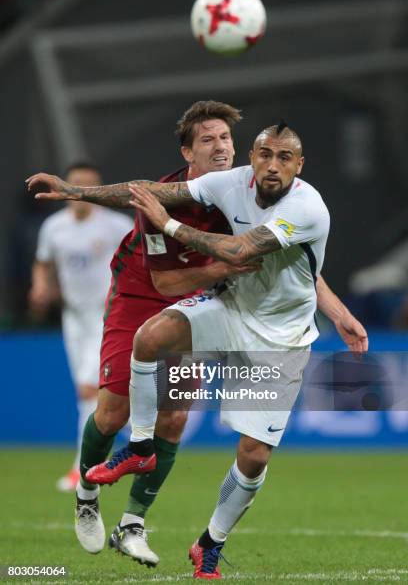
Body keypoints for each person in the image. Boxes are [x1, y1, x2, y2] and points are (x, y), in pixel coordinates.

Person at [26, 111, 368, 570]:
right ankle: (92, 490)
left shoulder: (271, 199)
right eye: (209, 139)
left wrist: (338, 310)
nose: (221, 147)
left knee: (190, 423)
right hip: (151, 295)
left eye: (226, 137)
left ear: (296, 163)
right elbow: (165, 277)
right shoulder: (203, 193)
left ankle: (137, 524)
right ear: (188, 152)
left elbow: (292, 261)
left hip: (259, 325)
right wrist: (73, 191)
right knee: (113, 408)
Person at [29, 162, 133, 492]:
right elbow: (43, 263)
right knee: (87, 392)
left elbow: (139, 265)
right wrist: (41, 286)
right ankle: (120, 451)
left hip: (110, 317)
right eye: (75, 185)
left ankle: (82, 469)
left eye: (89, 186)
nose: (81, 193)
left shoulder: (118, 225)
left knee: (91, 389)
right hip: (73, 318)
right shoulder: (53, 227)